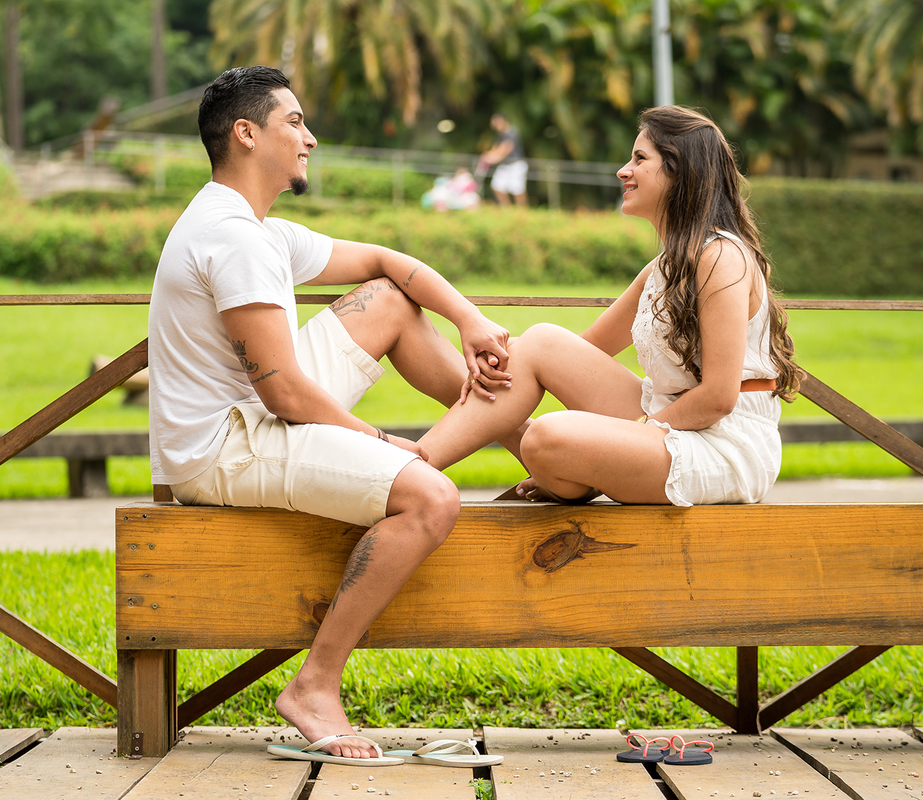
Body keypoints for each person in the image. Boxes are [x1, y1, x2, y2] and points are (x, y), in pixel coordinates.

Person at [147, 66, 517, 763]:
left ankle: (527, 443)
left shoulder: (257, 229)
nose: (310, 137)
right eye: (295, 122)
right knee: (430, 498)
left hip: (254, 413)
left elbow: (384, 261)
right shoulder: (233, 238)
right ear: (247, 133)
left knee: (386, 299)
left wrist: (469, 319)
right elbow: (283, 395)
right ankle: (314, 686)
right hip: (223, 446)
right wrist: (385, 443)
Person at [420, 105, 801, 506]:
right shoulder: (665, 267)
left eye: (640, 159)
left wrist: (631, 435)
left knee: (546, 438)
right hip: (666, 418)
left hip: (722, 445)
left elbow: (718, 399)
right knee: (541, 340)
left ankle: (579, 467)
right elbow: (574, 354)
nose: (623, 170)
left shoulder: (721, 258)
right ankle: (415, 464)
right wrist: (495, 359)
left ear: (679, 171)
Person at [477, 112, 528, 207]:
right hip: (504, 165)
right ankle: (506, 208)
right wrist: (487, 155)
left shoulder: (511, 132)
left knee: (518, 190)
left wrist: (492, 158)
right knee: (497, 187)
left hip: (515, 165)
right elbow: (496, 148)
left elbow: (505, 149)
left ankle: (522, 211)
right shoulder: (500, 134)